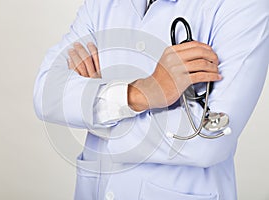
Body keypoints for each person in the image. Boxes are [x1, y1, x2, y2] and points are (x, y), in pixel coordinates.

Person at [33, 0, 269, 199]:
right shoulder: (103, 4)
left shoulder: (244, 5)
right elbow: (46, 94)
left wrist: (99, 107)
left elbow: (208, 142)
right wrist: (140, 94)